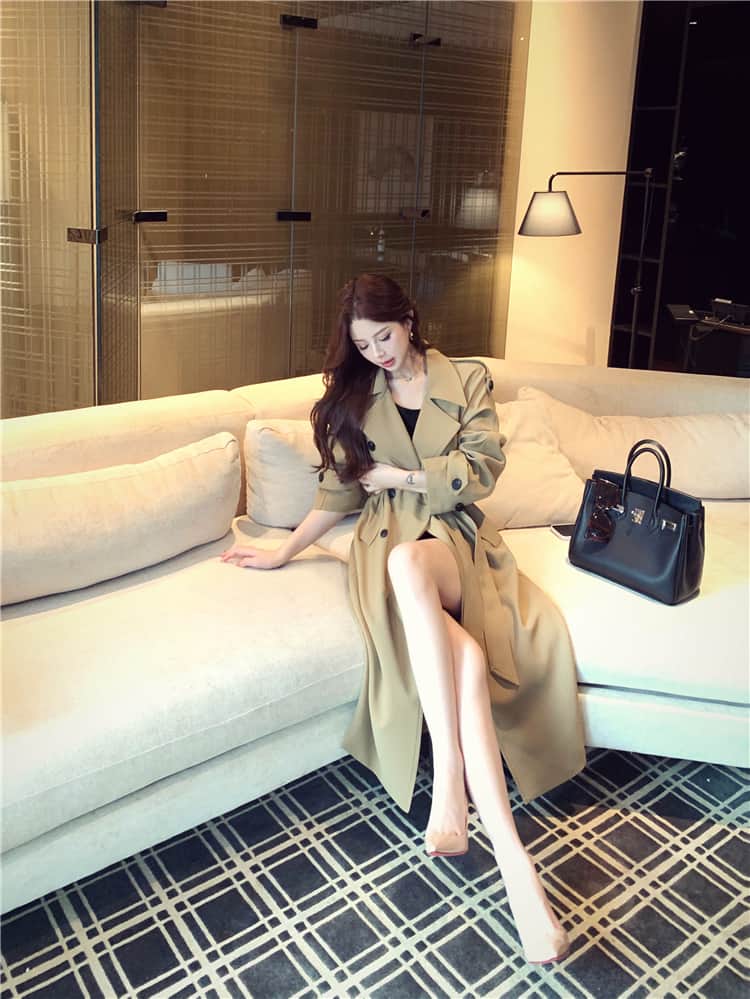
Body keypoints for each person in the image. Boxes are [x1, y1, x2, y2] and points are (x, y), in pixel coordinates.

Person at [222, 273, 586, 964]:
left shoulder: (468, 378)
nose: (378, 354)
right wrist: (282, 551)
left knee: (415, 566)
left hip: (454, 542)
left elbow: (481, 471)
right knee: (465, 657)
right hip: (387, 544)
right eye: (363, 346)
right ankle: (520, 874)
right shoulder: (357, 399)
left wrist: (401, 478)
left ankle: (448, 777)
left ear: (409, 320)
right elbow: (335, 496)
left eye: (384, 337)